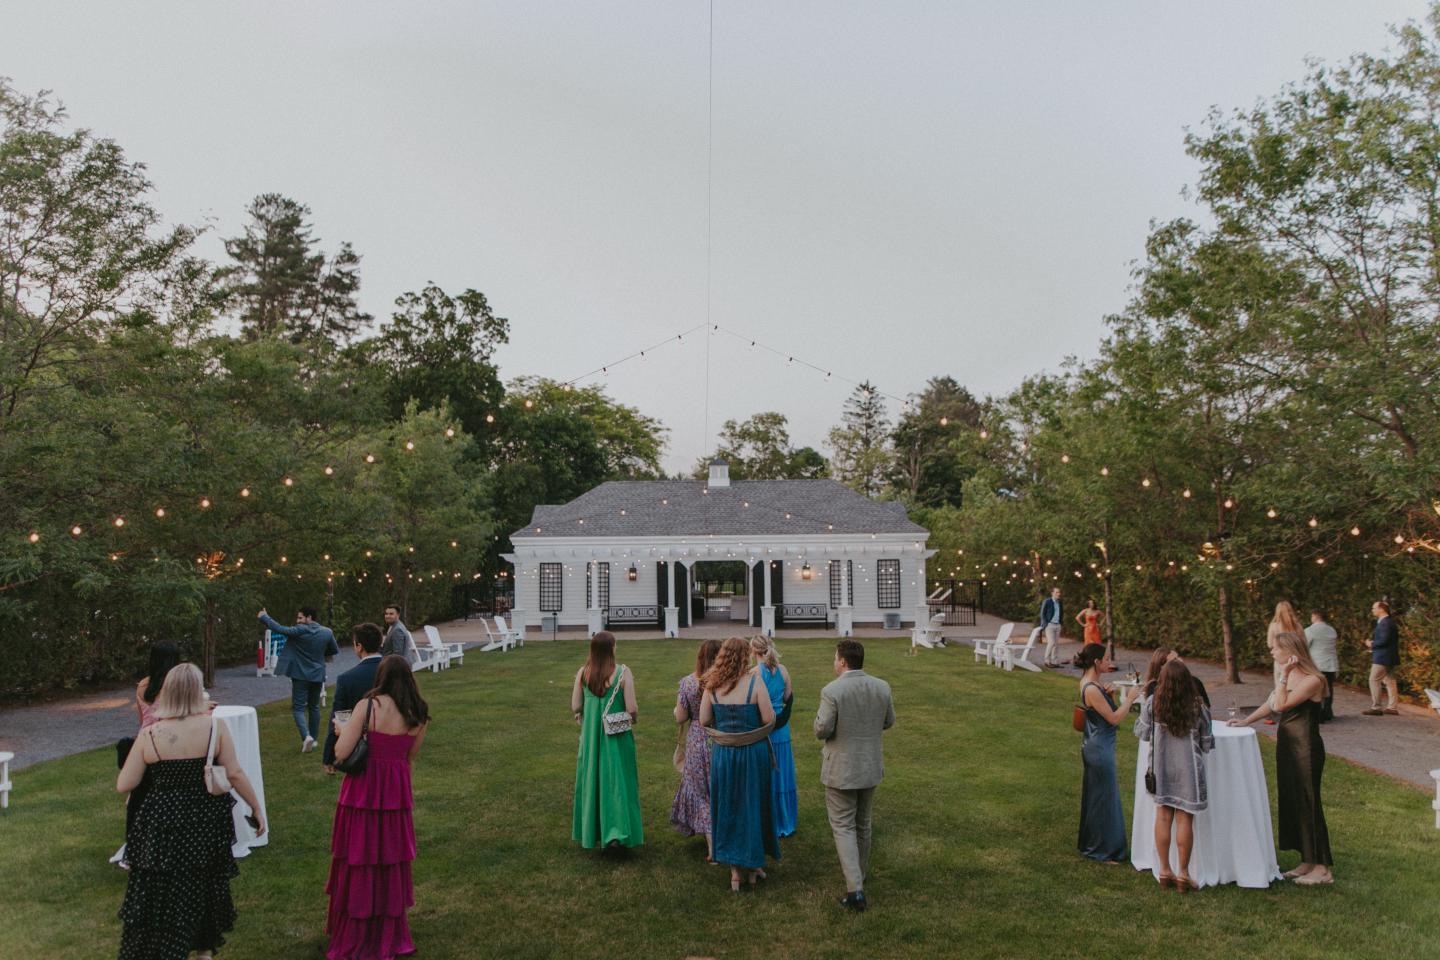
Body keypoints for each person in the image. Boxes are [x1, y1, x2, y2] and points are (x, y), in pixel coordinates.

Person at [116, 664, 266, 960]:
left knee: (164, 886)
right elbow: (234, 772)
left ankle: (167, 944)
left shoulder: (151, 733)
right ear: (198, 691)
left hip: (163, 818)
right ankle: (204, 949)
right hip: (204, 817)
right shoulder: (214, 727)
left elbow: (125, 783)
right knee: (203, 882)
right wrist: (256, 807)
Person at [327, 655, 430, 960]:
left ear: (381, 677)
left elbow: (342, 752)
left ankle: (359, 931)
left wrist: (339, 732)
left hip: (363, 793)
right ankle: (388, 931)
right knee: (389, 862)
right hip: (395, 795)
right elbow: (409, 758)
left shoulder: (368, 706)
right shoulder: (418, 713)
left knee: (359, 858)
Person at [1230, 631, 1333, 885]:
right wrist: (1246, 720)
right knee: (1293, 800)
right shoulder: (1290, 677)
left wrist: (1284, 676)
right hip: (1288, 744)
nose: (1272, 652)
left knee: (1309, 802)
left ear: (1290, 651)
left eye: (1275, 648)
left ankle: (1323, 868)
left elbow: (1283, 705)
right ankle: (1307, 859)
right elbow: (1272, 702)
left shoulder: (1313, 679)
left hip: (1306, 747)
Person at [814, 638, 894, 912]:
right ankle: (858, 877)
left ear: (843, 661)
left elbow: (822, 729)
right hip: (870, 765)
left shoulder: (832, 691)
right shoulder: (881, 686)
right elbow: (888, 721)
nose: (833, 662)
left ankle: (855, 890)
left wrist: (818, 724)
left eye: (835, 658)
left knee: (844, 825)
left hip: (842, 768)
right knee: (863, 823)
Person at [700, 636, 779, 892]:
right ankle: (753, 865)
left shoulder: (712, 686)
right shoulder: (754, 682)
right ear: (745, 656)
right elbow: (769, 719)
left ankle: (735, 871)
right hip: (752, 753)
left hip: (724, 754)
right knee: (752, 804)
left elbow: (703, 720)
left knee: (729, 805)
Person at [1134, 660, 1214, 892]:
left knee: (1163, 818)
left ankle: (1165, 869)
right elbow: (1207, 743)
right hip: (1188, 770)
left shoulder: (1153, 703)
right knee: (1184, 820)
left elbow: (1142, 732)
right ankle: (1184, 873)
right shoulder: (1198, 707)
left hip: (1162, 768)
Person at [570, 631, 643, 849]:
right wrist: (634, 719)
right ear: (611, 648)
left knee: (592, 780)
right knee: (618, 781)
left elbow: (576, 706)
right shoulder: (623, 673)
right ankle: (617, 833)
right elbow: (632, 708)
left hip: (592, 737)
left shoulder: (583, 673)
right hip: (616, 736)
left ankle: (594, 831)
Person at [116, 642, 184, 870]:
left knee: (141, 798)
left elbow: (143, 720)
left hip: (144, 743)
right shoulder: (175, 686)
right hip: (167, 744)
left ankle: (136, 848)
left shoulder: (142, 686)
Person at [1076, 642, 1142, 863]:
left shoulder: (1092, 684)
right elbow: (1114, 719)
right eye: (1105, 660)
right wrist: (1131, 698)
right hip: (1099, 749)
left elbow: (1105, 715)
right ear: (1096, 662)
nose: (1109, 663)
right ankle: (1102, 851)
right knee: (1104, 799)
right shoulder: (1092, 688)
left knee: (1099, 797)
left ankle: (1094, 845)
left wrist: (1111, 698)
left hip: (1098, 745)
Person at [258, 605, 339, 753]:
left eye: (300, 617)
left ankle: (306, 736)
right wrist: (320, 653)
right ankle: (313, 739)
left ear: (309, 618)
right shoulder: (327, 632)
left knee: (299, 708)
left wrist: (264, 617)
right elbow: (334, 649)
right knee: (314, 707)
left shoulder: (300, 630)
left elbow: (280, 629)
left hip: (300, 675)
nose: (298, 621)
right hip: (318, 674)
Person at [671, 638, 722, 857]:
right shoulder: (727, 681)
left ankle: (711, 843)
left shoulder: (688, 682)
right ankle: (721, 836)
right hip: (721, 736)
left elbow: (681, 716)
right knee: (718, 788)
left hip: (697, 738)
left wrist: (677, 710)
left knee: (700, 792)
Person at [751, 634, 798, 838]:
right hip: (782, 730)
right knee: (783, 775)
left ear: (753, 651)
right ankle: (785, 819)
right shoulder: (784, 670)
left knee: (766, 774)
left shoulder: (753, 673)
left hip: (764, 730)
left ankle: (767, 821)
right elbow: (788, 697)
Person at [323, 623, 385, 773]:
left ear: (359, 646)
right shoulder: (395, 671)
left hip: (360, 746)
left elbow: (340, 715)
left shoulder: (348, 678)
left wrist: (329, 755)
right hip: (392, 741)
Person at [1362, 600, 1400, 716]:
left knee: (1374, 679)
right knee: (1389, 681)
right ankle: (1392, 707)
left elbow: (1384, 640)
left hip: (1383, 657)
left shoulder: (1385, 623)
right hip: (1389, 656)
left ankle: (1377, 707)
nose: (1372, 610)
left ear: (1381, 609)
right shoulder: (1387, 622)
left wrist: (1371, 644)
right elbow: (1386, 639)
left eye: (1374, 608)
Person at [1305, 611, 1339, 722]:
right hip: (1330, 663)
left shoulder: (1310, 630)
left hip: (1316, 663)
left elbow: (1305, 646)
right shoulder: (1331, 630)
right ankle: (1327, 711)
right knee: (1328, 689)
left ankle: (1317, 713)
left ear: (1315, 616)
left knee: (1316, 689)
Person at [1039, 587, 1064, 667]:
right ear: (1052, 593)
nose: (1058, 594)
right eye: (1056, 592)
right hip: (1050, 625)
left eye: (1059, 592)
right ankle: (1047, 661)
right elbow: (1042, 614)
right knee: (1051, 643)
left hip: (1058, 625)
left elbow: (1061, 613)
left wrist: (1060, 623)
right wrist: (1045, 624)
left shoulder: (1059, 602)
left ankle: (1054, 662)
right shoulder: (1047, 601)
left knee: (1056, 644)